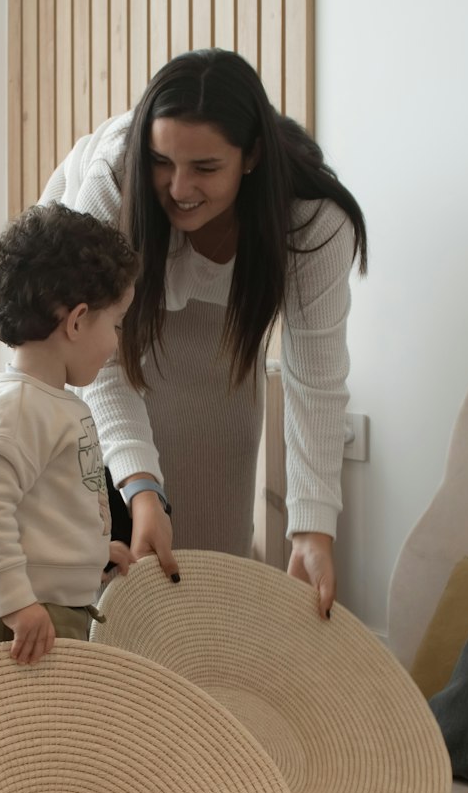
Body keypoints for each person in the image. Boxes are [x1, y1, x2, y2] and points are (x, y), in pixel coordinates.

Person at [40, 48, 368, 618]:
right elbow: (103, 362)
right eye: (161, 161)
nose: (179, 187)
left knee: (210, 542)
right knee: (101, 521)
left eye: (205, 168)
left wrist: (313, 527)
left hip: (221, 314)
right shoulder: (113, 180)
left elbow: (315, 378)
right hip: (79, 320)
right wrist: (143, 488)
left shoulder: (313, 221)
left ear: (252, 156)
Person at [0, 203, 140, 666]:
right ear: (76, 320)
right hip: (9, 612)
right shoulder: (17, 408)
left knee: (47, 732)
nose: (116, 342)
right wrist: (15, 604)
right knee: (10, 734)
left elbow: (46, 506)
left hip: (39, 602)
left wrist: (88, 552)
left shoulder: (50, 402)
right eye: (116, 324)